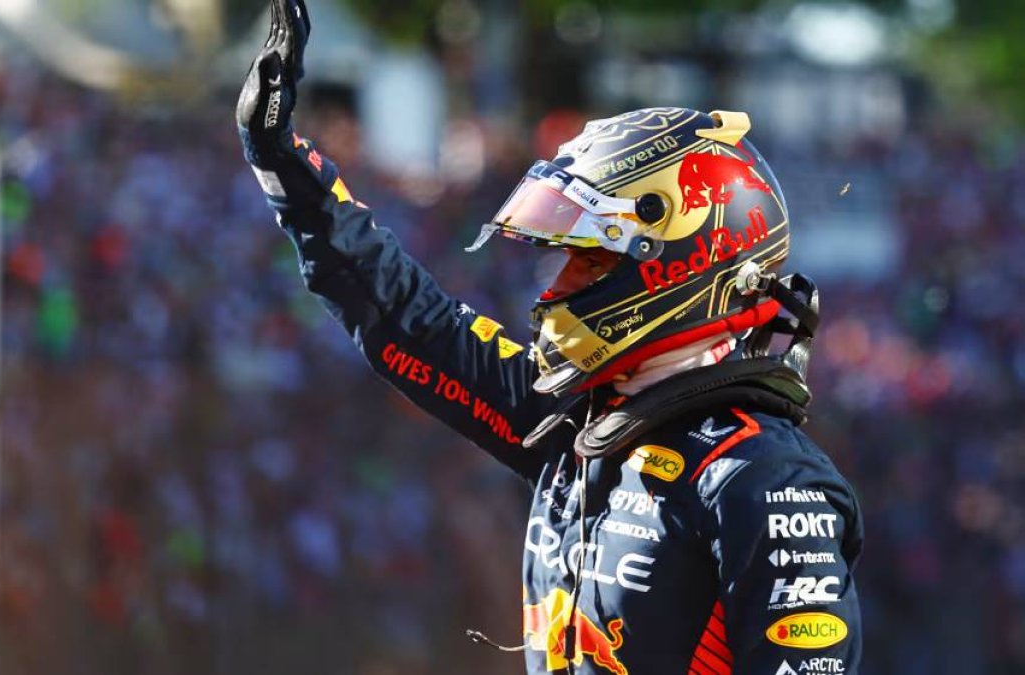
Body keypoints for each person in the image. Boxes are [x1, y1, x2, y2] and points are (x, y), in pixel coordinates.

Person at [236, 2, 863, 673]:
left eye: (589, 258)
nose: (554, 284)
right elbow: (406, 321)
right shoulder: (579, 428)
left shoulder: (760, 480)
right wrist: (283, 167)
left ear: (684, 262)